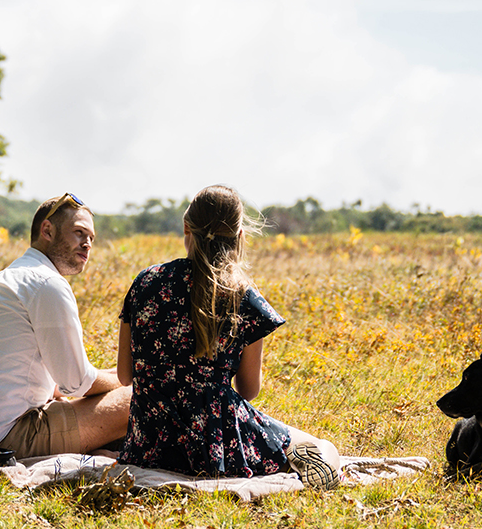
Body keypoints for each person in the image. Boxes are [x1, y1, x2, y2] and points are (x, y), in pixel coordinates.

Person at [116, 184, 342, 487]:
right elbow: (248, 390)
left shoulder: (145, 282)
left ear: (186, 227)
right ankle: (318, 465)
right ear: (239, 236)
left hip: (148, 445)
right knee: (323, 448)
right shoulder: (243, 296)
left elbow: (124, 375)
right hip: (216, 448)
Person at [0, 193, 130, 456]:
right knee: (142, 397)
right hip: (0, 441)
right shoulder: (46, 283)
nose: (87, 244)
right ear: (47, 230)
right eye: (79, 233)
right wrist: (130, 379)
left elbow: (58, 383)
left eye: (91, 238)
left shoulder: (11, 277)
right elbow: (78, 383)